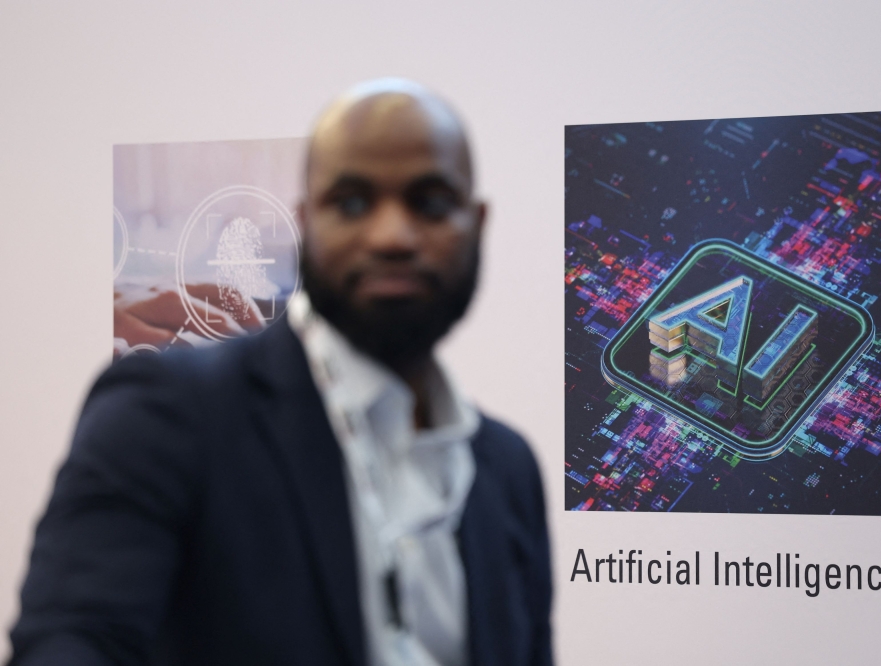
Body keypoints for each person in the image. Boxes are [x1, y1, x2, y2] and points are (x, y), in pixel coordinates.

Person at [9, 79, 553, 666]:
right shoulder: (166, 415)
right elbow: (69, 644)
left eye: (430, 202)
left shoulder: (507, 469)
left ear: (477, 222)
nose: (392, 235)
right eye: (351, 202)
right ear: (304, 222)